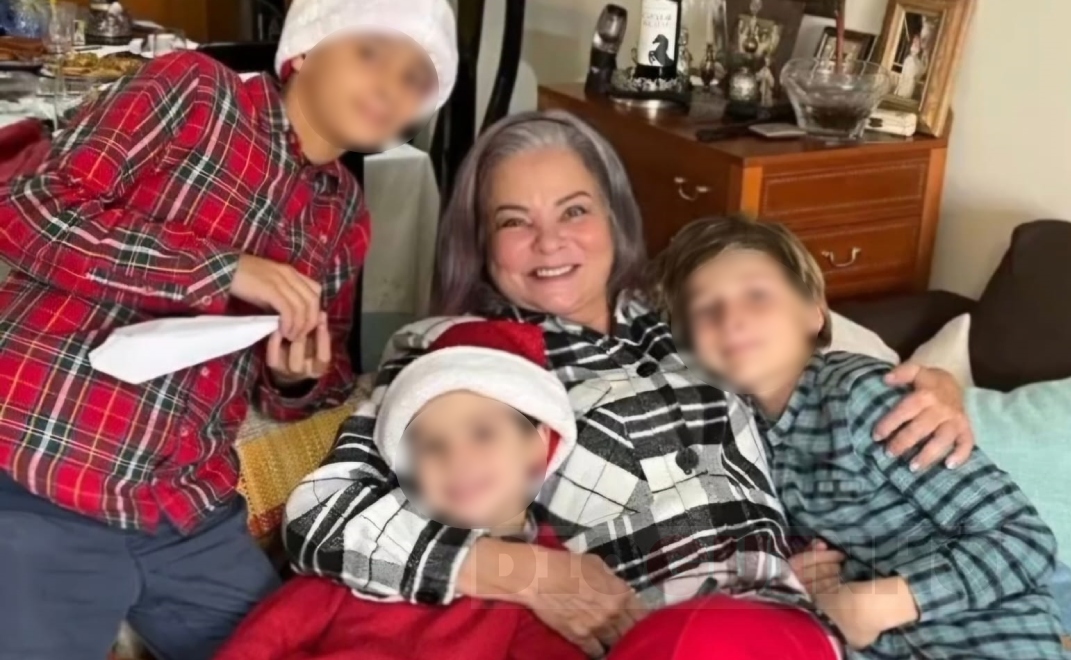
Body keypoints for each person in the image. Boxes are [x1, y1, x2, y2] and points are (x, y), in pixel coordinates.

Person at [284, 111, 974, 658]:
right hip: (654, 636)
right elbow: (322, 519)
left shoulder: (694, 307)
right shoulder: (459, 353)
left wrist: (935, 385)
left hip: (801, 624)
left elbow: (832, 348)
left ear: (615, 217)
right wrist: (529, 575)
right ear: (480, 243)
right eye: (514, 221)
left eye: (574, 211)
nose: (550, 242)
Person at [0, 0, 458, 658]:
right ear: (306, 50)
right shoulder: (197, 91)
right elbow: (26, 208)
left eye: (415, 77)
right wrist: (222, 270)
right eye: (371, 52)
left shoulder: (345, 216)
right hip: (47, 461)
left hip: (186, 509)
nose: (391, 84)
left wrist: (294, 377)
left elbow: (309, 379)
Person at [650, 216, 1068, 659]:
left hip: (989, 640)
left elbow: (1023, 539)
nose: (731, 319)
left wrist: (880, 603)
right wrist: (798, 576)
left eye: (756, 294)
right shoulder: (739, 437)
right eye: (705, 309)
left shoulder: (859, 397)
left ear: (814, 314)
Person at [216, 319, 591, 660]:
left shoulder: (553, 580)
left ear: (540, 443)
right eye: (432, 446)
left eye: (483, 433)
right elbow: (269, 634)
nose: (457, 459)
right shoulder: (371, 542)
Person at [895, 34, 926, 99]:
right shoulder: (908, 59)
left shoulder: (918, 63)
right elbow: (903, 75)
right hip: (902, 85)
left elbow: (920, 73)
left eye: (917, 45)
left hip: (909, 87)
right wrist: (897, 88)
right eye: (914, 43)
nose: (914, 45)